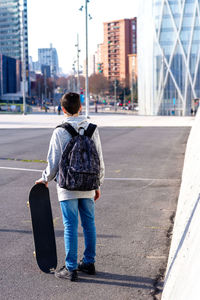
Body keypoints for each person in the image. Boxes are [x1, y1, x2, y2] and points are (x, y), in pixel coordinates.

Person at [35, 92, 105, 282]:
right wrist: (98, 183)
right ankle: (89, 263)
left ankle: (71, 268)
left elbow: (54, 160)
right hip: (89, 184)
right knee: (89, 223)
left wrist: (44, 179)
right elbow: (99, 158)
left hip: (67, 186)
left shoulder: (60, 131)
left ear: (63, 109)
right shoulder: (93, 129)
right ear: (80, 107)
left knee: (70, 225)